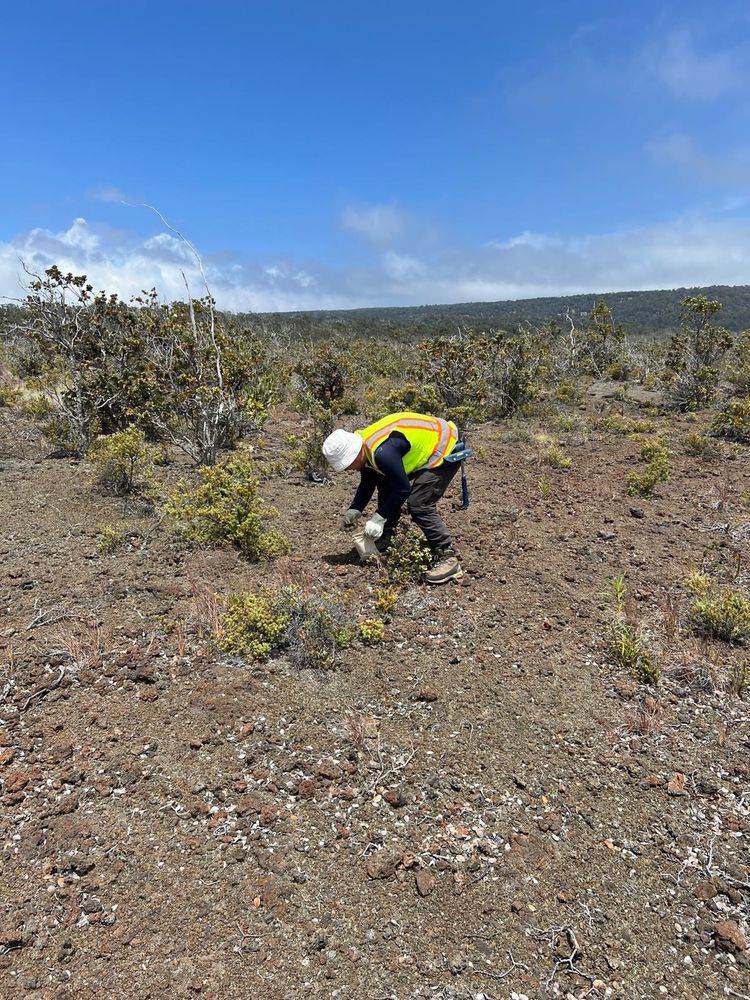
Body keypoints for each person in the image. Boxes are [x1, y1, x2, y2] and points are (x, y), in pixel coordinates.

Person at [322, 411, 465, 584]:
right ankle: (386, 537)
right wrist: (355, 508)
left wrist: (379, 518)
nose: (347, 470)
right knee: (384, 482)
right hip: (429, 440)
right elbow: (368, 481)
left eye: (346, 465)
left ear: (353, 454)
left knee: (419, 503)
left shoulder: (382, 453)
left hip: (442, 445)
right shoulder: (366, 447)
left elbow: (403, 489)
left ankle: (447, 555)